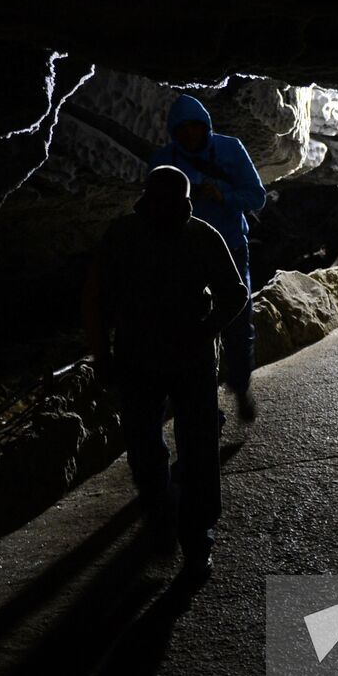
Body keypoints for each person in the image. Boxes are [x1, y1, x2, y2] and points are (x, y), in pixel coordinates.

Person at [82, 165, 249, 577]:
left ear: (182, 202)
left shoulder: (199, 237)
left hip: (183, 359)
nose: (161, 207)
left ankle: (196, 537)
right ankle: (163, 515)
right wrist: (102, 354)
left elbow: (235, 292)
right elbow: (98, 299)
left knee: (198, 448)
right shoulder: (124, 236)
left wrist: (206, 332)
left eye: (168, 200)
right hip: (141, 358)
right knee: (144, 448)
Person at [150, 94, 267, 421]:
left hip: (229, 249)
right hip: (185, 256)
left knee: (237, 323)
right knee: (189, 327)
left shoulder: (230, 149)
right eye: (182, 128)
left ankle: (241, 385)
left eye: (194, 127)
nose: (189, 134)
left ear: (205, 126)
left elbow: (256, 196)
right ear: (174, 130)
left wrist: (223, 195)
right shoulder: (165, 160)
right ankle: (202, 403)